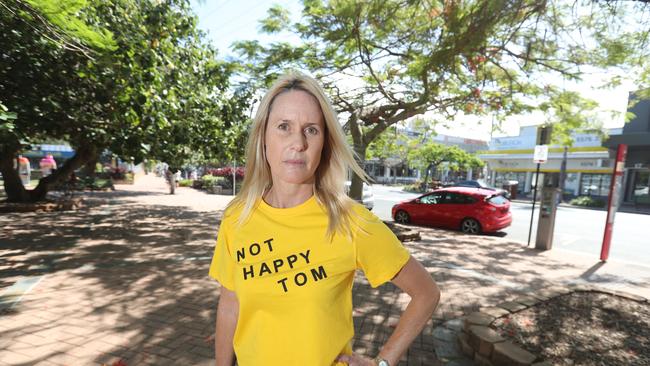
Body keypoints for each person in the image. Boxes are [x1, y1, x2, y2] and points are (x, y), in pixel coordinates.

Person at [208, 72, 440, 366]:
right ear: (263, 138)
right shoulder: (237, 217)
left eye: (311, 130)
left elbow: (426, 293)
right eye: (283, 127)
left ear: (324, 143)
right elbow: (230, 306)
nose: (298, 143)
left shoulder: (351, 222)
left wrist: (383, 362)